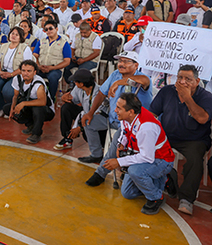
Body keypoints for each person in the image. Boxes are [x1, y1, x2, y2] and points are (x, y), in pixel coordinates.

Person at [149, 65, 212, 215]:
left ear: (197, 81)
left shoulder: (206, 97)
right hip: (167, 136)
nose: (183, 82)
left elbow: (202, 119)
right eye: (180, 78)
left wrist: (188, 97)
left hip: (194, 139)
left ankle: (186, 199)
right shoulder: (167, 91)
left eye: (188, 79)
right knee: (147, 149)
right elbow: (152, 113)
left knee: (195, 160)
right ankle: (162, 182)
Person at [83, 51, 152, 185]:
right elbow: (101, 94)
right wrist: (90, 112)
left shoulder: (142, 77)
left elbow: (145, 81)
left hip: (131, 124)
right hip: (112, 118)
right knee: (88, 122)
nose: (121, 64)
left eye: (126, 61)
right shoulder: (114, 74)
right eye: (120, 61)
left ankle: (100, 173)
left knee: (117, 140)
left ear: (136, 65)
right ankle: (96, 153)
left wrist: (119, 83)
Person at [103, 93, 174, 215]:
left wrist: (119, 161)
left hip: (161, 159)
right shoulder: (127, 117)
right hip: (144, 156)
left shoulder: (147, 127)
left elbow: (147, 157)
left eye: (119, 108)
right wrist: (121, 145)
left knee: (135, 172)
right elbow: (124, 132)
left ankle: (157, 197)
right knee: (127, 193)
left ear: (130, 112)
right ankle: (161, 180)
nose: (115, 110)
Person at [4, 60, 55, 144]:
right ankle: (30, 125)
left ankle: (36, 134)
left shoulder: (39, 83)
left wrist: (23, 104)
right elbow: (15, 96)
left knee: (37, 108)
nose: (25, 73)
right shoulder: (17, 79)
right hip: (29, 106)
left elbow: (42, 102)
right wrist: (12, 109)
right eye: (23, 70)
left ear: (35, 72)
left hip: (46, 110)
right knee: (7, 108)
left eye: (29, 71)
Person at [54, 69, 105, 150]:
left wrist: (79, 128)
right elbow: (72, 100)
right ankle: (67, 139)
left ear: (81, 84)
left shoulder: (99, 94)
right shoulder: (78, 88)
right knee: (66, 108)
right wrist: (65, 98)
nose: (74, 83)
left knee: (86, 132)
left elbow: (96, 116)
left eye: (76, 81)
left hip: (98, 119)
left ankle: (101, 146)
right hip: (85, 114)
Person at [32, 20, 71, 101]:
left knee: (53, 77)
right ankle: (32, 96)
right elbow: (34, 56)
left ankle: (50, 98)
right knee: (30, 74)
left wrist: (52, 68)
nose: (48, 31)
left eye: (51, 28)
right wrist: (38, 66)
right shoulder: (41, 41)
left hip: (55, 69)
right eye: (46, 29)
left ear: (56, 29)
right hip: (40, 67)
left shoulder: (64, 43)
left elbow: (67, 61)